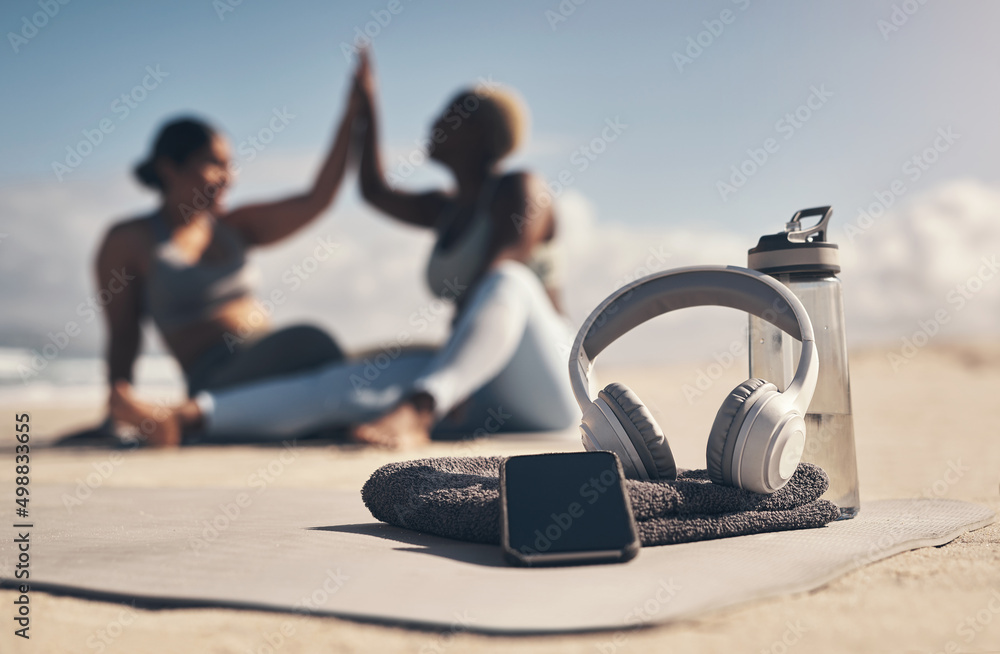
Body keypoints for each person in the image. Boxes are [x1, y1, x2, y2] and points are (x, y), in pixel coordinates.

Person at [111, 51, 579, 448]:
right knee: (346, 381)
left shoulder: (522, 188)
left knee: (508, 281)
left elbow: (507, 259)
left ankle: (420, 408)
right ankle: (185, 420)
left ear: (482, 133)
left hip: (551, 386)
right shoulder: (445, 209)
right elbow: (374, 190)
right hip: (477, 391)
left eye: (451, 116)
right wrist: (365, 106)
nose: (435, 123)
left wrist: (441, 379)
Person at [96, 74, 363, 445]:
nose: (229, 178)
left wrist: (351, 114)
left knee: (346, 374)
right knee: (314, 344)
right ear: (168, 168)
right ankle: (163, 417)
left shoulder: (234, 227)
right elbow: (123, 332)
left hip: (267, 361)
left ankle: (181, 423)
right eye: (214, 163)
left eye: (231, 165)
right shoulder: (130, 239)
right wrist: (116, 406)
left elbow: (317, 199)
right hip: (213, 375)